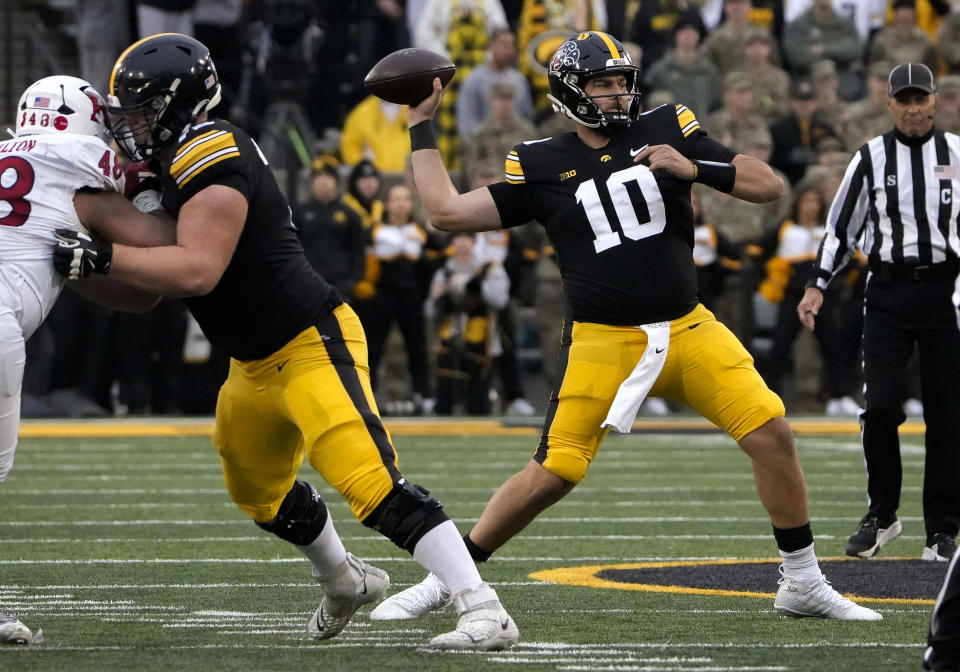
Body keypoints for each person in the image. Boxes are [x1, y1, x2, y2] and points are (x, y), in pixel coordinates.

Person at [371, 30, 881, 623]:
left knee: (772, 433)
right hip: (602, 338)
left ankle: (802, 580)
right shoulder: (541, 160)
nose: (617, 94)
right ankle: (448, 577)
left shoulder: (667, 124)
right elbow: (446, 213)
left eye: (621, 82)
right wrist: (421, 126)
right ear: (571, 91)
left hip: (689, 327)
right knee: (553, 473)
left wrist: (694, 167)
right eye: (602, 84)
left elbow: (769, 186)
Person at [53, 33, 518, 650]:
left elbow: (197, 270)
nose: (130, 124)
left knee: (369, 482)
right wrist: (79, 270)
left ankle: (483, 607)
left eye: (140, 109)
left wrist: (99, 256)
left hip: (308, 338)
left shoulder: (209, 146)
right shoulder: (161, 166)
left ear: (179, 103)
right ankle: (343, 578)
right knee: (255, 488)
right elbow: (143, 294)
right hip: (251, 362)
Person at [0, 75, 177, 644]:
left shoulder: (17, 167)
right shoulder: (79, 180)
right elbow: (162, 245)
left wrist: (92, 262)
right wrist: (151, 192)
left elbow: (134, 293)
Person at [798, 62, 960, 563]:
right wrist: (817, 284)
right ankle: (883, 514)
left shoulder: (957, 153)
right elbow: (842, 227)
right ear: (889, 104)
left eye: (921, 99)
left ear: (935, 101)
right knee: (883, 406)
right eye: (904, 100)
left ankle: (943, 529)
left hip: (946, 294)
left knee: (948, 416)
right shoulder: (870, 157)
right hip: (888, 291)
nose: (913, 109)